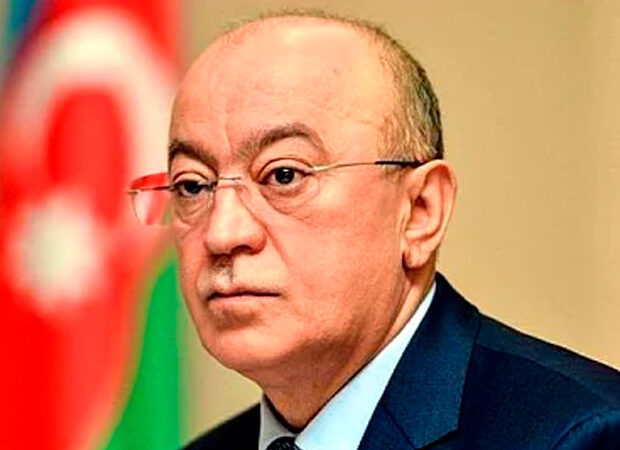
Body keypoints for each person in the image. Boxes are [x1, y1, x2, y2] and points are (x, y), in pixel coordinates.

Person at [128, 11, 620, 450]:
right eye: (192, 185)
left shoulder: (579, 435)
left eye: (284, 175)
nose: (222, 233)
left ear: (421, 212)